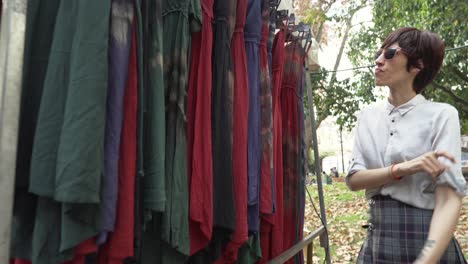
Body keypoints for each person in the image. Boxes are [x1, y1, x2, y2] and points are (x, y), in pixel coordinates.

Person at [347, 27, 467, 263]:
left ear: (417, 65)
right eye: (378, 54)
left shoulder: (442, 115)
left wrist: (427, 259)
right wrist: (402, 168)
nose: (379, 61)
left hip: (427, 234)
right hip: (379, 235)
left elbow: (449, 197)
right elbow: (353, 179)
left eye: (390, 54)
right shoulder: (367, 116)